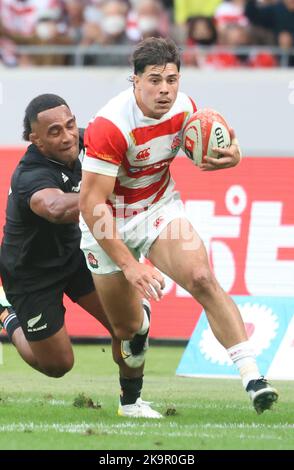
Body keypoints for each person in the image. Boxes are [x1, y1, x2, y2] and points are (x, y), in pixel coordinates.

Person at [79, 36, 278, 414]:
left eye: (172, 79)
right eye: (155, 79)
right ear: (134, 80)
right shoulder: (111, 125)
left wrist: (233, 155)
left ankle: (253, 377)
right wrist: (130, 265)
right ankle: (130, 398)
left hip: (157, 208)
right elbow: (91, 205)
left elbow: (209, 147)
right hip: (106, 219)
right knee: (127, 330)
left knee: (202, 277)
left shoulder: (186, 109)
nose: (165, 89)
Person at [0, 93, 161, 419]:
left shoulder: (91, 142)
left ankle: (130, 403)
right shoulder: (30, 174)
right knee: (58, 365)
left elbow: (137, 149)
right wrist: (102, 193)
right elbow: (56, 208)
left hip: (76, 254)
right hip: (30, 273)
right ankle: (6, 314)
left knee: (128, 326)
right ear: (36, 140)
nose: (67, 136)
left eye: (70, 125)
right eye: (55, 131)